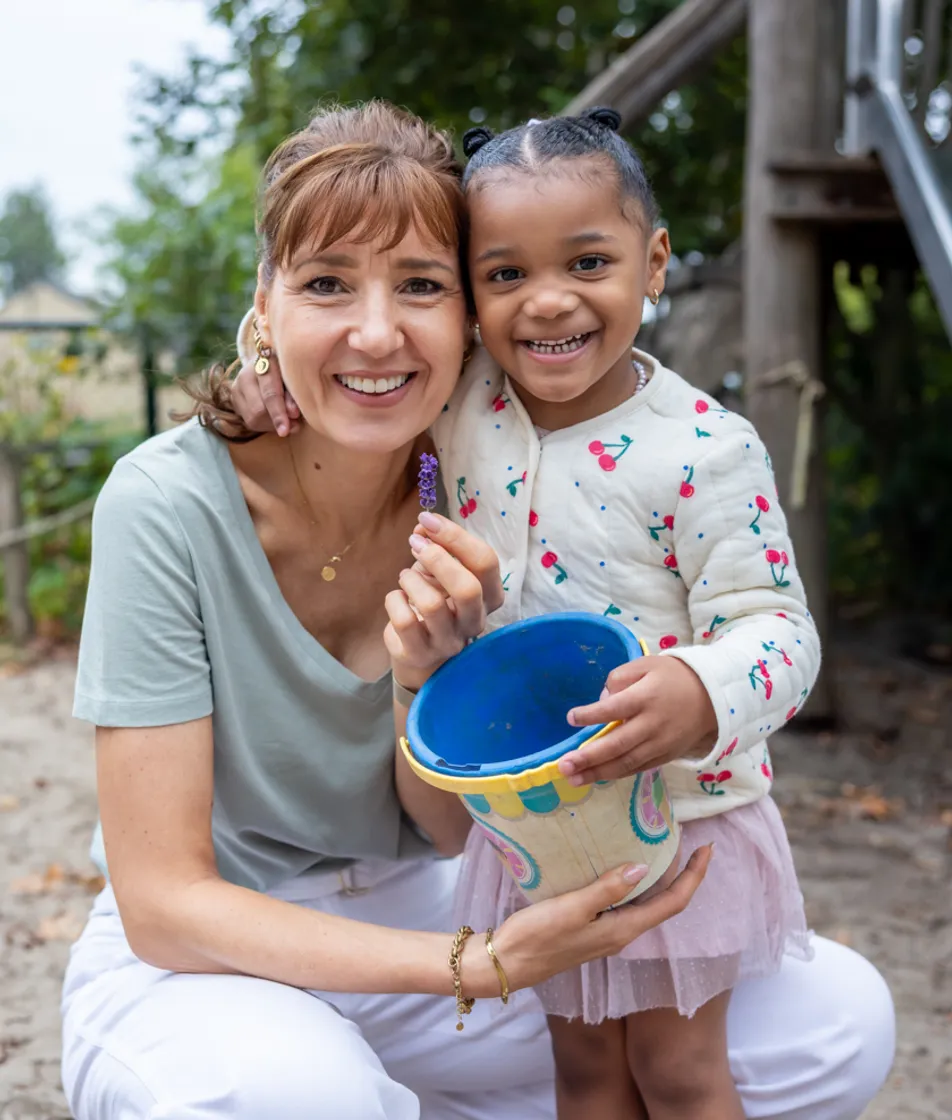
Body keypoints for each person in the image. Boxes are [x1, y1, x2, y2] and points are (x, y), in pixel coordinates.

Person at [229, 104, 896, 1119]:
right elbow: (361, 374)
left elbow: (781, 630)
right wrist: (264, 376)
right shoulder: (465, 405)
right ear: (471, 295)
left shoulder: (705, 450)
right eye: (504, 275)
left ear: (654, 261)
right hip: (530, 823)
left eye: (586, 264)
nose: (547, 304)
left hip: (677, 817)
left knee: (677, 1072)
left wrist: (701, 685)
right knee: (580, 1076)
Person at [61, 99, 713, 1120]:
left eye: (419, 285)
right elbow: (162, 904)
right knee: (295, 1095)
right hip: (206, 960)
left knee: (825, 1024)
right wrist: (482, 960)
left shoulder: (483, 486)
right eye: (327, 284)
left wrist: (424, 682)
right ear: (266, 306)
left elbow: (450, 835)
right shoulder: (166, 501)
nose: (376, 331)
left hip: (425, 906)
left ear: (466, 318)